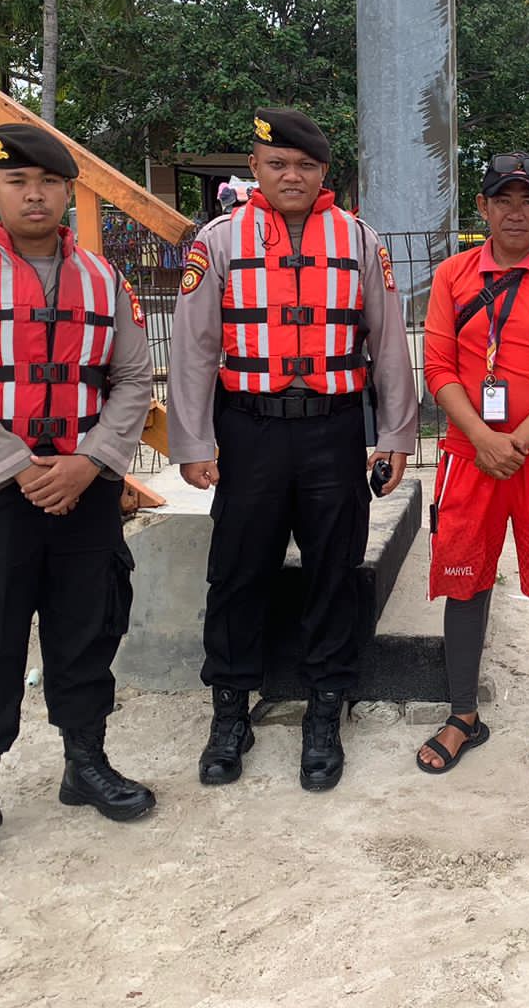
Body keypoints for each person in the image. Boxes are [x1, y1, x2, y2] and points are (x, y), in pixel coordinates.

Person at [0, 123, 156, 878]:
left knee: (87, 626)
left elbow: (132, 382)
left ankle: (85, 764)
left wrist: (91, 463)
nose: (34, 194)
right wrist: (19, 466)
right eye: (17, 181)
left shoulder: (104, 282)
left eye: (48, 182)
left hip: (85, 487)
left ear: (67, 194)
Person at [167, 108, 417, 792]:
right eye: (277, 164)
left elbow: (388, 345)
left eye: (305, 165)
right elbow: (192, 350)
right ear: (254, 168)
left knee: (333, 572)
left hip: (333, 431)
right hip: (249, 429)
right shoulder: (218, 241)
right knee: (238, 570)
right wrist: (192, 441)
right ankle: (229, 712)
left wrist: (393, 435)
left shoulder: (358, 239)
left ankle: (325, 709)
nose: (291, 176)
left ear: (323, 173)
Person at [414, 152, 529, 778]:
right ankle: (463, 712)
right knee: (465, 579)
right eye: (503, 199)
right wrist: (483, 439)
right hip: (469, 458)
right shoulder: (452, 276)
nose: (515, 212)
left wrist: (515, 440)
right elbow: (438, 368)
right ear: (484, 208)